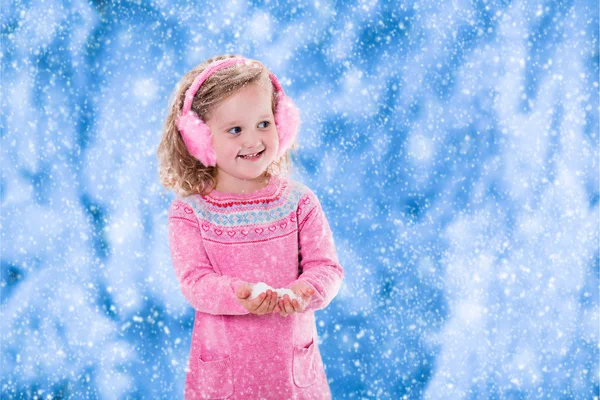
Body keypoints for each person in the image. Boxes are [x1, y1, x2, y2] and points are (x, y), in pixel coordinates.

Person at [157, 55, 344, 399]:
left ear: (282, 124)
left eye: (263, 123)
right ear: (199, 138)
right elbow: (195, 281)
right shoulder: (189, 214)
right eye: (235, 129)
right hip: (225, 381)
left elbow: (327, 267)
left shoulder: (299, 203)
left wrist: (305, 292)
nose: (253, 140)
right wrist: (242, 294)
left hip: (293, 379)